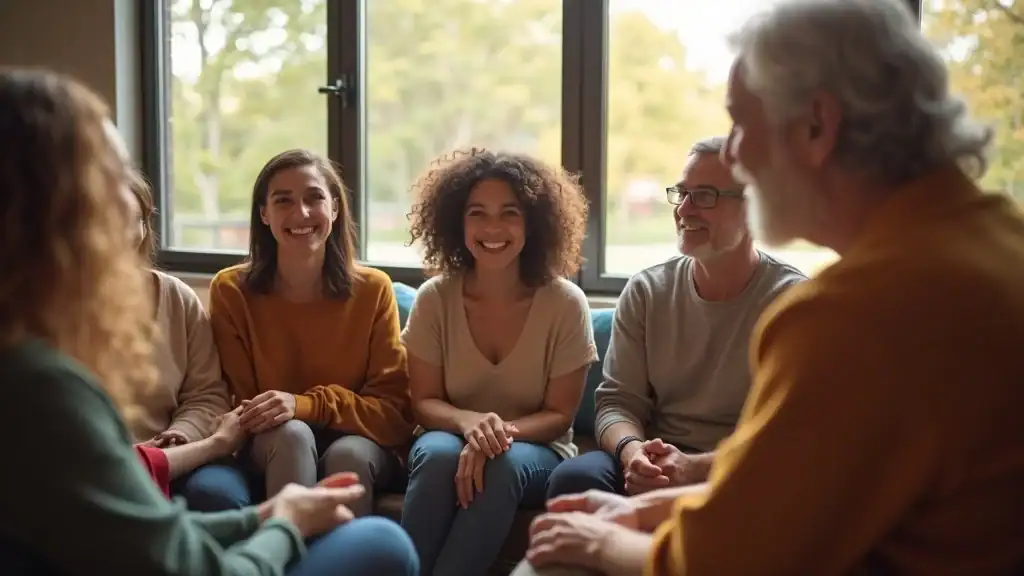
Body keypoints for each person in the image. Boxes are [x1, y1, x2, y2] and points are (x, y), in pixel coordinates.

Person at [512, 1, 1024, 575]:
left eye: (739, 123)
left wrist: (600, 541)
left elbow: (717, 563)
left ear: (816, 127)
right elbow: (820, 485)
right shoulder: (998, 241)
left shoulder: (852, 317)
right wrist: (657, 505)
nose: (734, 153)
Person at [0, 67, 418, 575]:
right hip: (246, 462)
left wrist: (268, 514)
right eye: (108, 179)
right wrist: (283, 525)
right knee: (382, 543)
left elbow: (145, 535)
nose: (130, 207)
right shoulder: (40, 387)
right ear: (50, 207)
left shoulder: (33, 362)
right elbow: (183, 560)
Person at [545, 136, 804, 500]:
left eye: (705, 196)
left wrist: (696, 469)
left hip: (741, 467)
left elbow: (791, 436)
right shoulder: (648, 290)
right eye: (681, 193)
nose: (683, 210)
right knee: (574, 480)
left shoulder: (792, 301)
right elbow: (617, 403)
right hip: (657, 458)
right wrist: (633, 453)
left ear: (752, 208)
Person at [399, 149, 598, 575]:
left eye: (510, 213)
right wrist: (470, 424)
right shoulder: (435, 298)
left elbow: (560, 415)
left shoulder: (565, 303)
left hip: (536, 451)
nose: (492, 228)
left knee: (501, 464)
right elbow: (424, 401)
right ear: (458, 222)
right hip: (448, 437)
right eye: (477, 213)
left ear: (534, 223)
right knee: (435, 455)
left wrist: (494, 436)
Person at [208, 149, 415, 517]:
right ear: (264, 214)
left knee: (348, 452)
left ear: (334, 208)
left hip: (359, 442)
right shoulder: (231, 290)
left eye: (314, 198)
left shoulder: (373, 289)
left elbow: (394, 415)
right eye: (283, 201)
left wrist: (305, 404)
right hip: (273, 442)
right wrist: (292, 414)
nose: (301, 213)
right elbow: (244, 405)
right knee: (292, 435)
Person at [124, 168, 241, 510]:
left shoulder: (177, 298)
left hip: (178, 451)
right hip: (107, 464)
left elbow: (207, 394)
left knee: (218, 494)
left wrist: (182, 435)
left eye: (133, 219)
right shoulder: (49, 308)